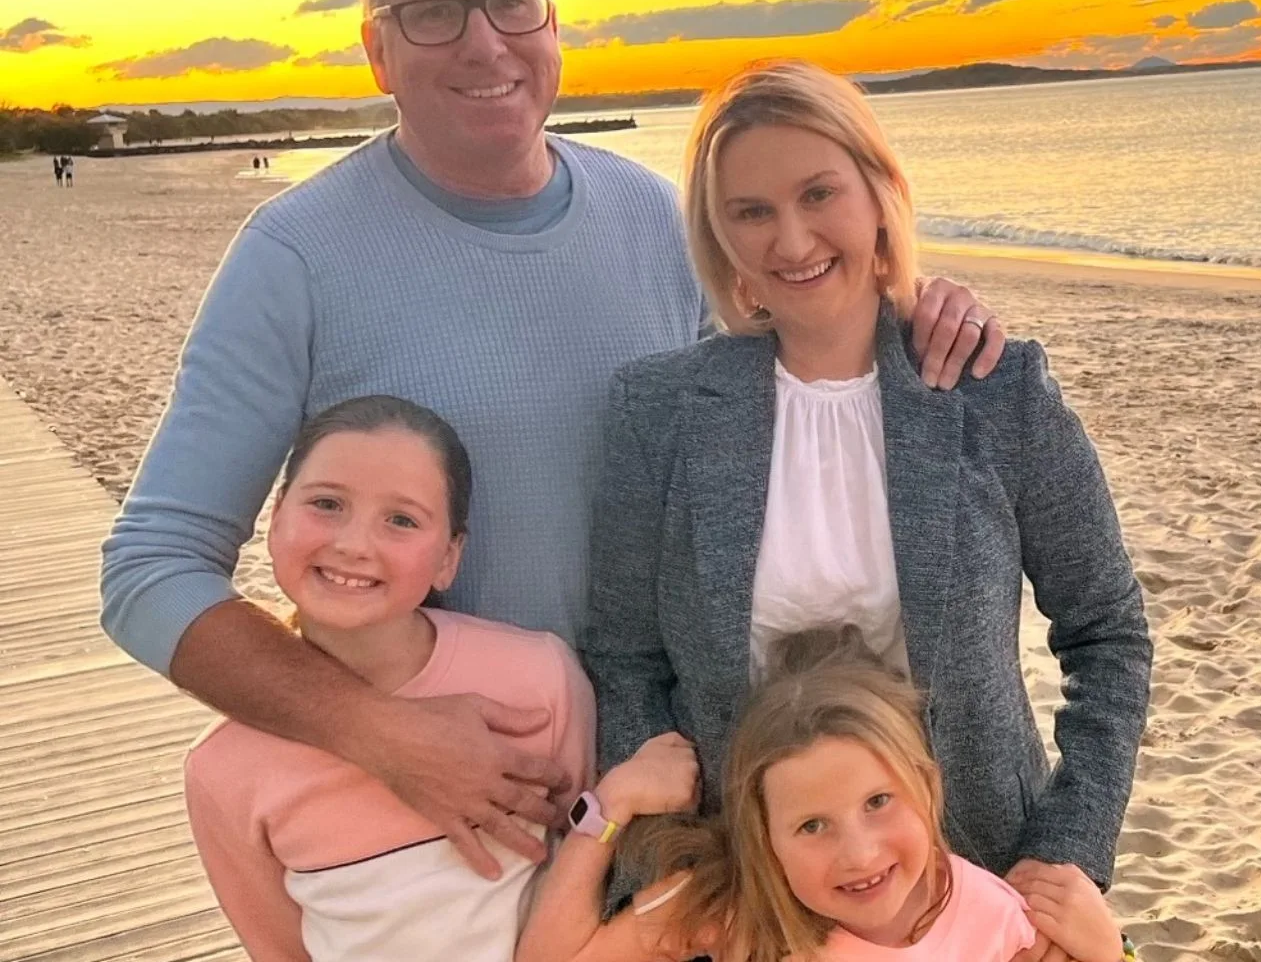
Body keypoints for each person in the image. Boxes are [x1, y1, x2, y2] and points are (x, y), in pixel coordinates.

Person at [98, 0, 1000, 880]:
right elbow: (151, 570)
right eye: (434, 13)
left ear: (554, 21)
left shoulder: (657, 221)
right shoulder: (295, 257)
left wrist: (918, 304)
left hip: (679, 790)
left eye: (512, 2)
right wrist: (381, 733)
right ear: (376, 48)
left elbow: (809, 343)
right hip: (457, 817)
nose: (485, 44)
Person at [583, 60, 1150, 961]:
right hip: (745, 904)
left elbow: (1107, 632)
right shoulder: (659, 413)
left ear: (881, 193)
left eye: (819, 193)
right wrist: (666, 867)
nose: (792, 237)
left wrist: (1069, 852)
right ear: (717, 233)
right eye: (751, 211)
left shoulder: (994, 391)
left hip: (985, 884)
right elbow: (623, 662)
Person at [184, 395, 594, 961]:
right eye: (326, 504)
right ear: (275, 519)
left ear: (450, 556)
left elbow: (590, 863)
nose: (353, 545)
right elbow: (280, 950)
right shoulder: (223, 769)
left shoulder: (537, 678)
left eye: (401, 520)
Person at [519, 629, 1131, 962]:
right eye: (812, 826)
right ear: (765, 838)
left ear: (927, 785)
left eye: (878, 802)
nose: (859, 854)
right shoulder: (735, 910)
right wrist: (611, 806)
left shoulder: (997, 919)